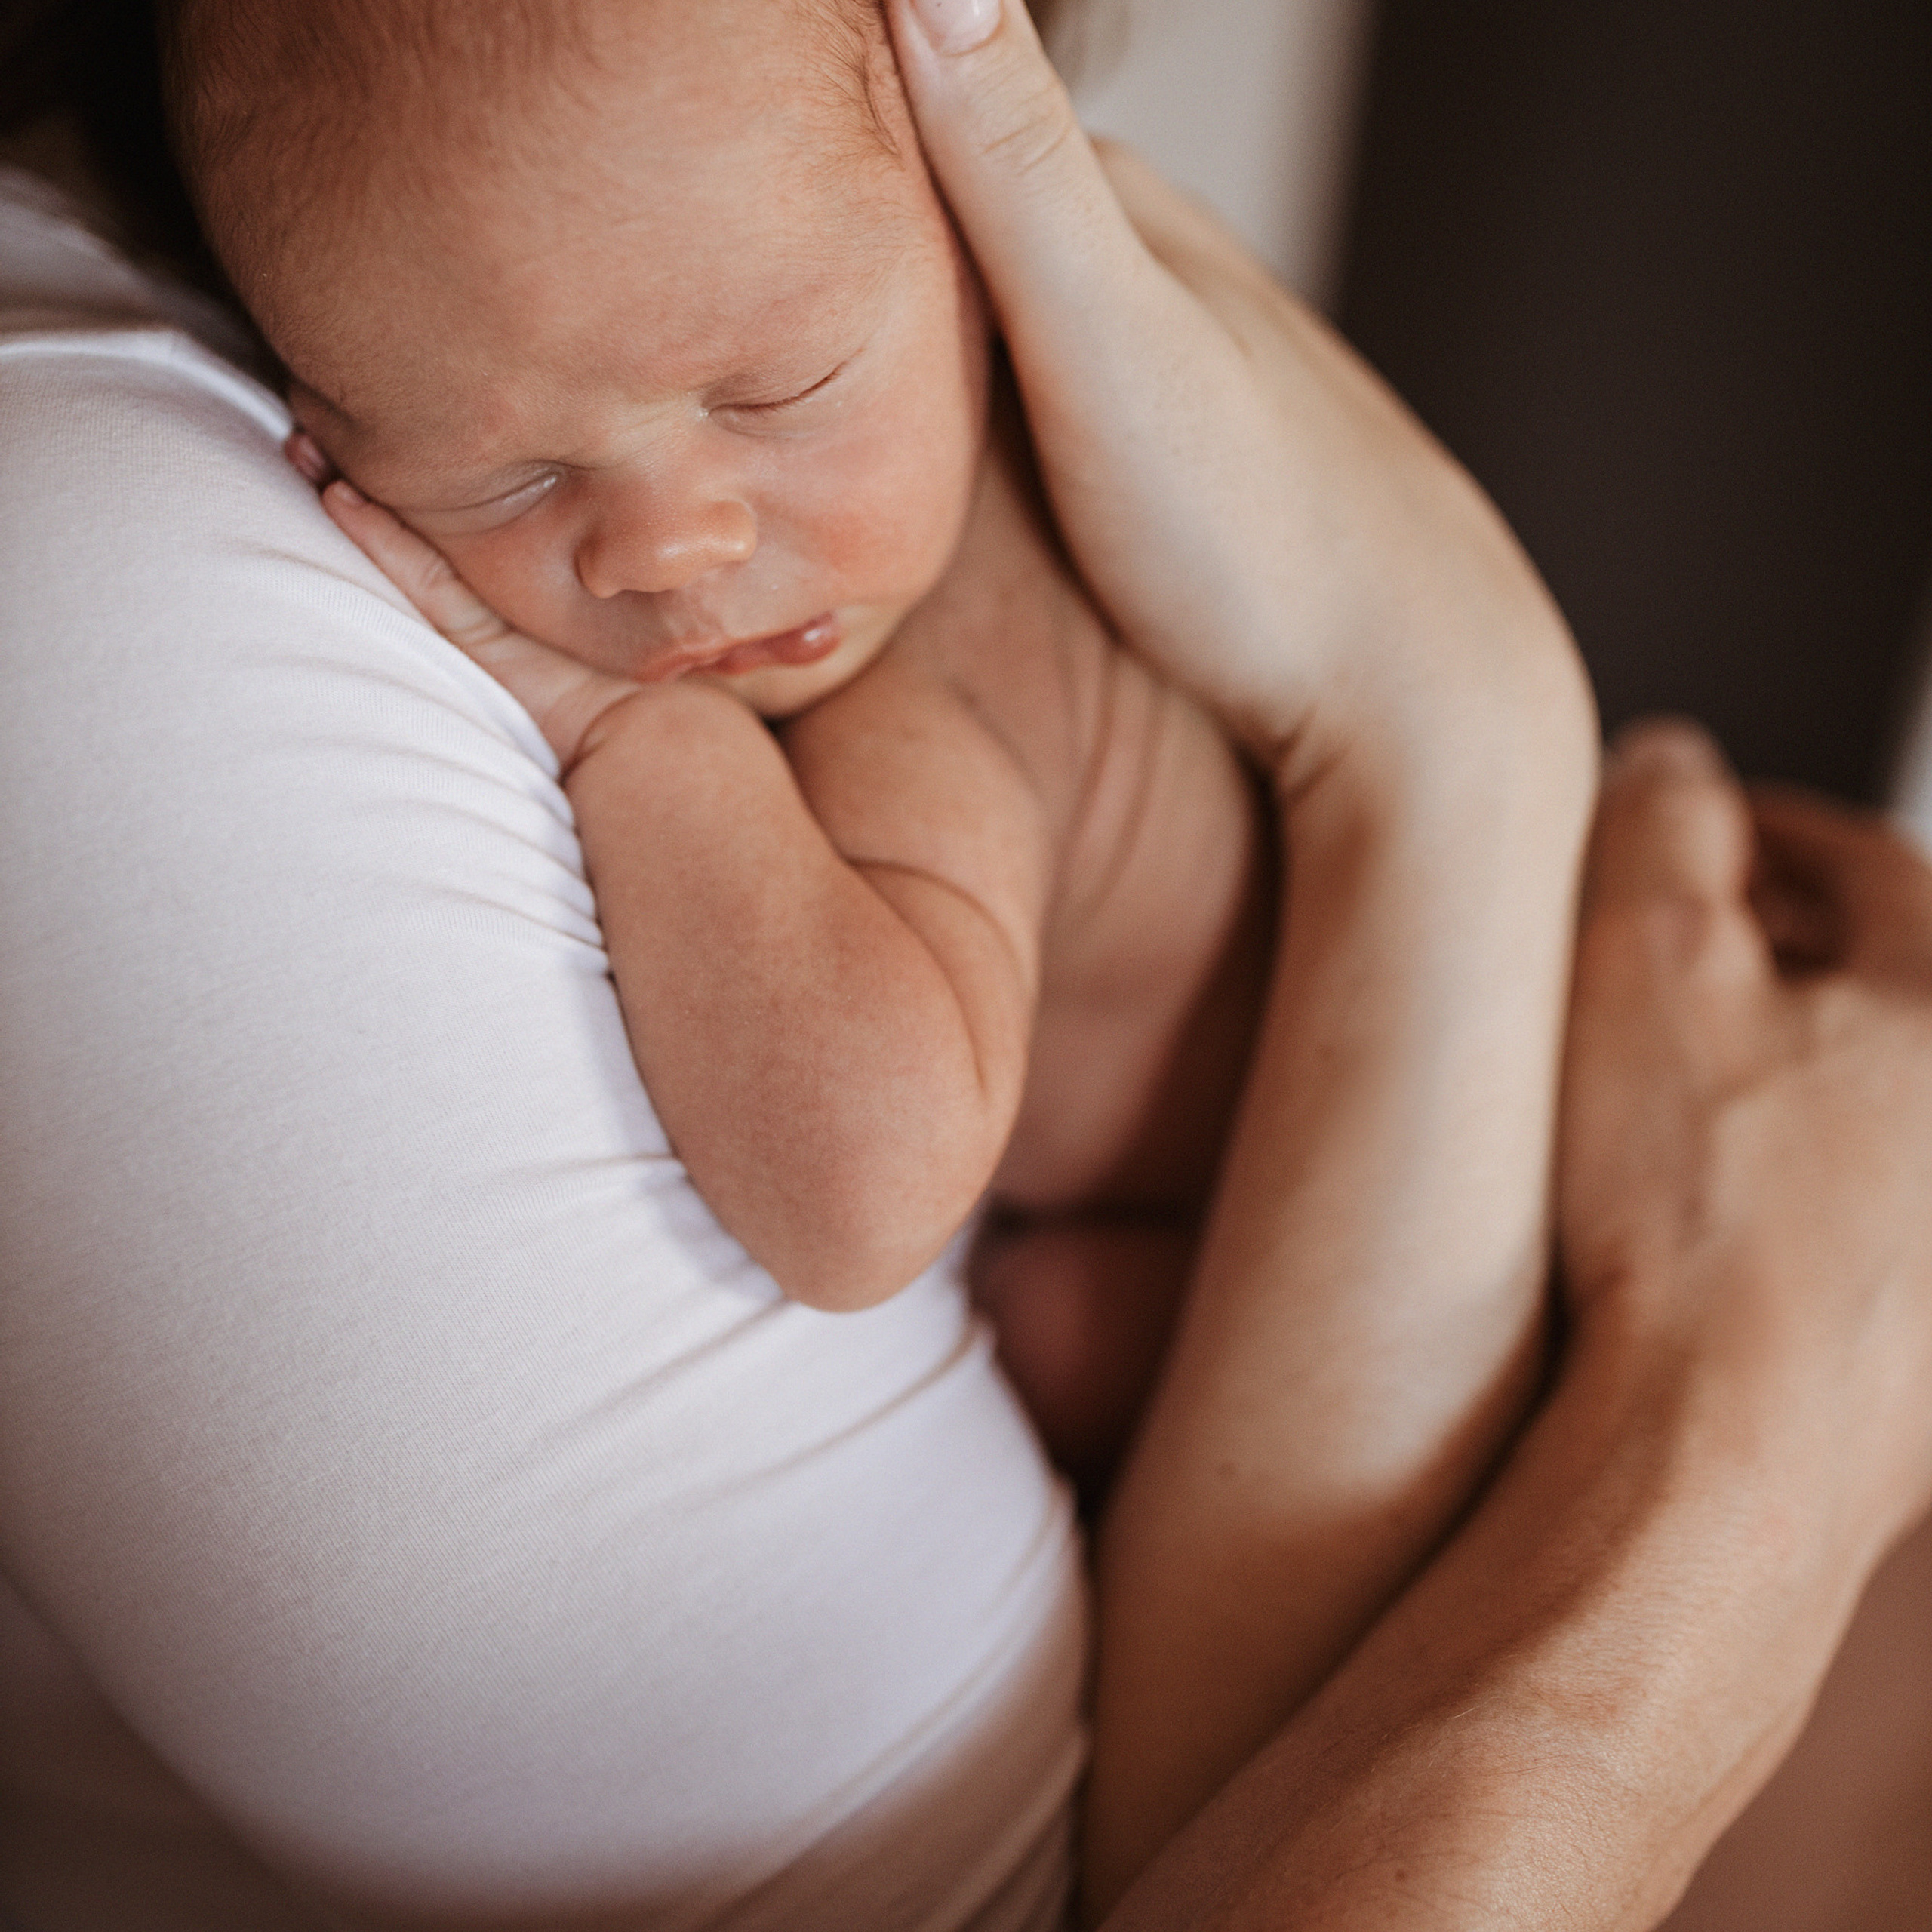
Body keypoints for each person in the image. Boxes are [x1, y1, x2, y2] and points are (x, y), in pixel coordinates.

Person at [2, 8, 1929, 1932]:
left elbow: (856, 1181)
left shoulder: (955, 661)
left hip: (1536, 1198)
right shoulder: (131, 542)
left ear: (987, 236)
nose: (671, 547)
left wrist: (623, 745)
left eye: (774, 389)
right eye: (500, 479)